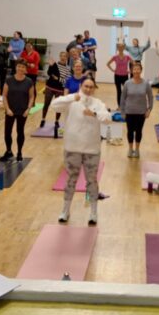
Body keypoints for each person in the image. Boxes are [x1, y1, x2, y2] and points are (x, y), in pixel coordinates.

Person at [49, 76, 111, 225]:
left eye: (91, 87)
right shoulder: (71, 101)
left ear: (94, 89)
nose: (88, 89)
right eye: (86, 86)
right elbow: (54, 105)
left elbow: (107, 118)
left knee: (92, 181)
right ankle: (65, 210)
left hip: (92, 150)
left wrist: (94, 114)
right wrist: (71, 97)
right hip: (72, 148)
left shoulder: (98, 103)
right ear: (80, 87)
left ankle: (93, 213)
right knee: (71, 179)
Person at [2, 60, 35, 162]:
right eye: (19, 66)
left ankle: (19, 152)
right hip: (10, 110)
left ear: (25, 69)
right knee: (7, 132)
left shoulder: (29, 81)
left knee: (20, 131)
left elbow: (31, 97)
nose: (21, 68)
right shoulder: (9, 80)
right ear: (16, 67)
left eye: (23, 67)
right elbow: (4, 95)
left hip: (22, 111)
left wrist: (28, 109)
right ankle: (8, 151)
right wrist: (7, 109)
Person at [120, 61, 154, 159]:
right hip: (129, 112)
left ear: (141, 70)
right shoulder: (127, 83)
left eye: (138, 69)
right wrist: (122, 112)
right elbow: (122, 98)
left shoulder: (146, 84)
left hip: (141, 112)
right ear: (131, 71)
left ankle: (137, 149)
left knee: (139, 131)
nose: (136, 71)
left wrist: (149, 110)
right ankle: (130, 149)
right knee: (130, 131)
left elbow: (150, 97)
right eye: (134, 69)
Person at [42, 51, 70, 129]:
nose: (63, 57)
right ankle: (43, 119)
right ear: (59, 56)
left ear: (67, 58)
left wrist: (58, 79)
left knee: (59, 106)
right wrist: (51, 66)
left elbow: (66, 81)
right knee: (46, 104)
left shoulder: (68, 68)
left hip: (60, 90)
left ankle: (57, 121)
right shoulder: (54, 65)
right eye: (62, 56)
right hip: (50, 87)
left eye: (65, 56)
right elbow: (49, 73)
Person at [106, 43, 133, 110]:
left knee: (126, 91)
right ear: (117, 48)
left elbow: (134, 63)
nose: (120, 48)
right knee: (119, 91)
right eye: (119, 47)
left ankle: (126, 105)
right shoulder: (115, 57)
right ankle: (119, 106)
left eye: (122, 47)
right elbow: (108, 64)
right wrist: (113, 70)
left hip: (125, 76)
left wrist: (131, 71)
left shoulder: (127, 56)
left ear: (124, 48)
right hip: (117, 76)